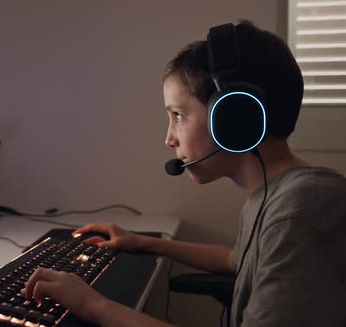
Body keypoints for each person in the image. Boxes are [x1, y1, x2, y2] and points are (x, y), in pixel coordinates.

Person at [22, 20, 346, 326]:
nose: (169, 138)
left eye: (178, 115)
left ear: (233, 116)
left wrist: (93, 305)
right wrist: (146, 243)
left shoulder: (300, 211)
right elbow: (237, 260)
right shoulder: (277, 195)